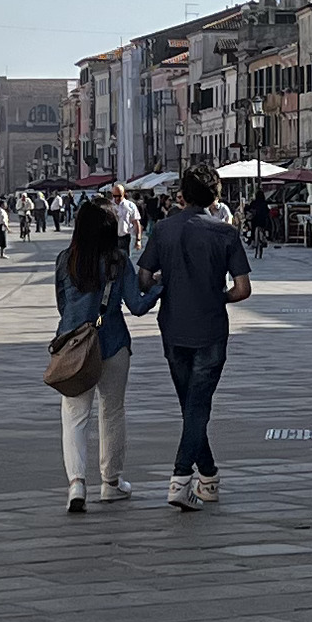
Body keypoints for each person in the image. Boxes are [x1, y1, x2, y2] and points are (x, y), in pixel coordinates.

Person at [138, 166, 253, 509]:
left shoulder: (164, 229)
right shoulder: (226, 234)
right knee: (198, 405)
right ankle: (182, 479)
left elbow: (143, 279)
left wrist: (165, 280)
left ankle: (208, 477)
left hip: (173, 327)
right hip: (211, 327)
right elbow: (243, 289)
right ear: (216, 198)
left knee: (190, 405)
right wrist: (219, 296)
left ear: (182, 196)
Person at [52, 199, 150, 513]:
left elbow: (63, 306)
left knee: (74, 417)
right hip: (113, 343)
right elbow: (137, 306)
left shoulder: (66, 259)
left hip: (75, 347)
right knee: (112, 412)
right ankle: (111, 483)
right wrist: (159, 287)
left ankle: (76, 484)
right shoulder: (119, 260)